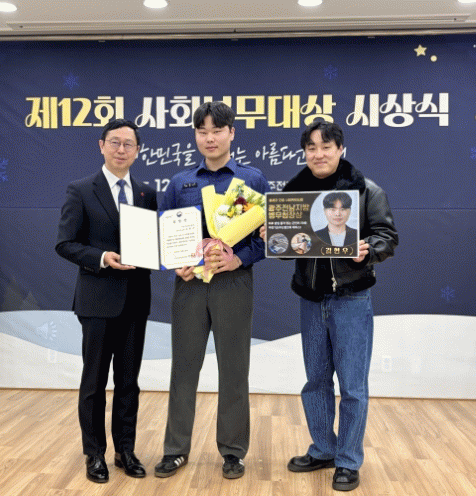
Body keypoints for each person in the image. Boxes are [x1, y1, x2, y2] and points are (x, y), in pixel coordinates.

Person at [261, 120, 397, 491]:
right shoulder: (293, 194)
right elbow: (287, 252)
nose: (318, 154)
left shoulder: (366, 191)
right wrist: (274, 238)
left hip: (352, 299)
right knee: (316, 381)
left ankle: (348, 460)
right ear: (304, 152)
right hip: (311, 299)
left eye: (326, 147)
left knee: (352, 385)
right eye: (311, 148)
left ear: (340, 149)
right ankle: (323, 448)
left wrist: (369, 250)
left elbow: (387, 237)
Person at [154, 101, 268, 480]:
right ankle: (175, 450)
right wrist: (175, 262)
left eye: (217, 130)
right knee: (184, 368)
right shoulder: (180, 183)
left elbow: (268, 238)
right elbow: (164, 233)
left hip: (233, 283)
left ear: (232, 133)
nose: (210, 138)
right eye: (202, 131)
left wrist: (240, 259)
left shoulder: (252, 180)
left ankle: (233, 452)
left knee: (234, 369)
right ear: (195, 136)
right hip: (189, 286)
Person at [55, 119, 157, 484]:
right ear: (101, 145)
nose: (121, 149)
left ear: (137, 151)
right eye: (115, 142)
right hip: (97, 301)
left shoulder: (146, 193)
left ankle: (125, 450)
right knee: (94, 383)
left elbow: (155, 242)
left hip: (135, 301)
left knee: (129, 382)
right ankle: (94, 453)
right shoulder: (81, 190)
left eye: (128, 144)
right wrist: (101, 257)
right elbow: (65, 243)